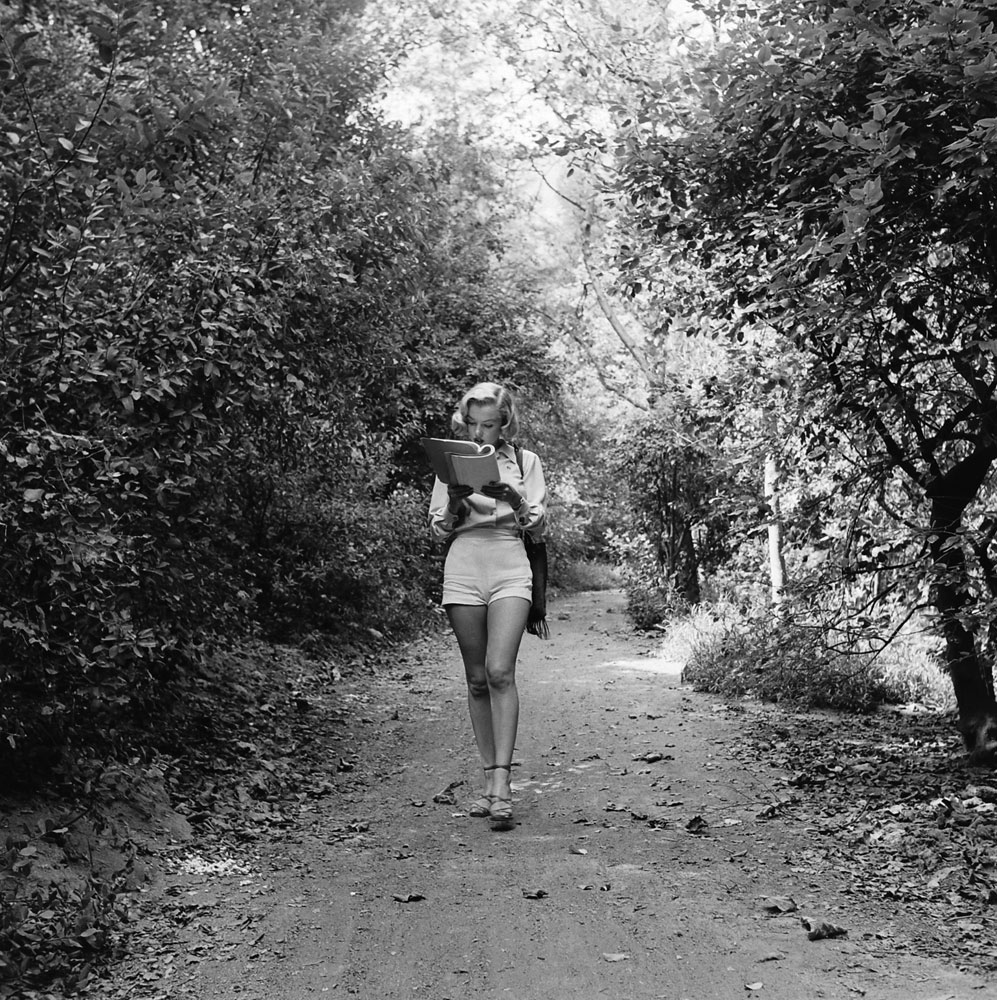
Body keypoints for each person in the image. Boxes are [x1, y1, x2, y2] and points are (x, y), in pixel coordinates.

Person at [428, 382, 547, 829]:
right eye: (473, 424)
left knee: (500, 671)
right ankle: (486, 782)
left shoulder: (524, 461)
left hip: (509, 562)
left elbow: (536, 523)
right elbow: (439, 528)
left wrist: (511, 497)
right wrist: (456, 504)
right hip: (464, 563)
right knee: (477, 678)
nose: (481, 433)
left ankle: (503, 783)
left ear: (505, 423)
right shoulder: (451, 464)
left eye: (490, 424)